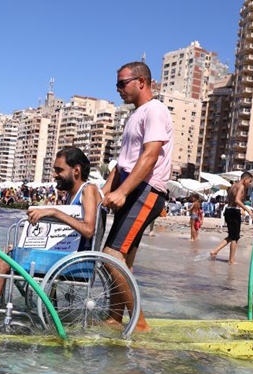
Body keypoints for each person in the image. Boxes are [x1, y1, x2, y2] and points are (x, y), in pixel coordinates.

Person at [0, 146, 102, 324]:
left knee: (3, 262)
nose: (54, 175)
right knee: (1, 256)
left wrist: (54, 212)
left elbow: (88, 229)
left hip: (75, 262)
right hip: (60, 256)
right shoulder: (70, 197)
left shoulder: (88, 190)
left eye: (59, 170)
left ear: (76, 170)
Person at [101, 61, 173, 332]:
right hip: (132, 189)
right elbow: (123, 164)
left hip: (146, 191)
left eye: (122, 83)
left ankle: (140, 325)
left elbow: (150, 156)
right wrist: (104, 191)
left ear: (141, 81)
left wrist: (121, 191)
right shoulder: (136, 114)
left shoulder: (155, 110)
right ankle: (113, 317)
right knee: (123, 261)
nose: (118, 89)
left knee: (111, 256)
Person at [210, 172, 253, 264]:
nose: (250, 184)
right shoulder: (241, 186)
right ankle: (231, 260)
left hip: (228, 210)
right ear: (245, 180)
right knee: (235, 237)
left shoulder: (233, 186)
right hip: (234, 212)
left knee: (231, 236)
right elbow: (237, 200)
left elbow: (231, 199)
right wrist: (248, 210)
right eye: (249, 181)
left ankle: (215, 251)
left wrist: (240, 208)